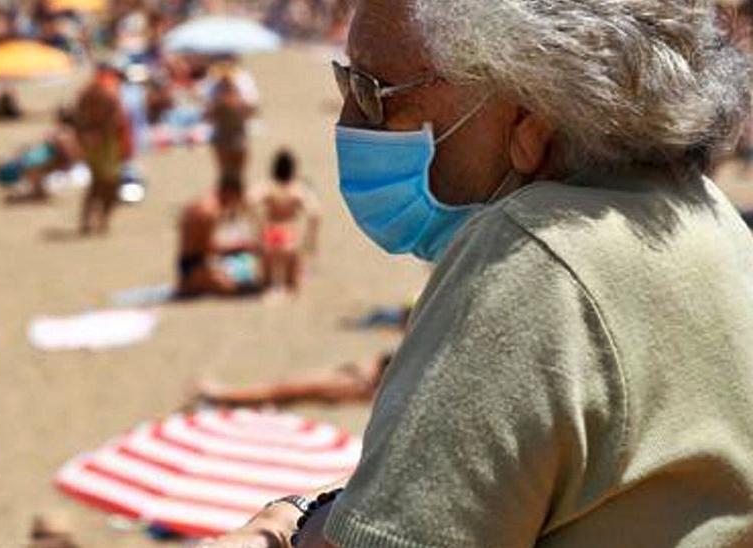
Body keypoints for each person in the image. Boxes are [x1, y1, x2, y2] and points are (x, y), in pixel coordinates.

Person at [204, 0, 753, 546]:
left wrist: (283, 527)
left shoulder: (530, 254)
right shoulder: (707, 214)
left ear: (529, 118)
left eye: (374, 94)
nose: (349, 123)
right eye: (346, 83)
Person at [194, 352, 390, 408]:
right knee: (284, 392)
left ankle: (221, 395)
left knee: (282, 390)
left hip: (363, 382)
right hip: (367, 380)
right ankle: (223, 396)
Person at [176, 173, 263, 298]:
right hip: (195, 266)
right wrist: (242, 247)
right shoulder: (210, 212)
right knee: (242, 288)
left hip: (189, 261)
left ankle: (194, 283)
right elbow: (209, 248)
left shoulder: (202, 203)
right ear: (230, 193)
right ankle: (192, 284)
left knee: (238, 279)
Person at [74, 65, 133, 235]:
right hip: (107, 141)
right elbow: (116, 118)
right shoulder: (109, 90)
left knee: (98, 181)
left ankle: (90, 220)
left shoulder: (88, 90)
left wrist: (85, 135)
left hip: (96, 138)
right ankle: (101, 219)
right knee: (108, 182)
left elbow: (79, 116)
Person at [255, 150, 321, 296]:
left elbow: (250, 200)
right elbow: (315, 213)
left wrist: (257, 228)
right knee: (292, 284)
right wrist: (310, 240)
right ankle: (284, 289)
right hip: (288, 234)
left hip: (270, 233)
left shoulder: (268, 187)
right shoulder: (296, 189)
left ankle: (272, 288)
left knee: (265, 282)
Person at [207, 74, 255, 184]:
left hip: (236, 137)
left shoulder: (241, 90)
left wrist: (236, 104)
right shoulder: (216, 93)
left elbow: (251, 111)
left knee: (238, 173)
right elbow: (209, 115)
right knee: (224, 173)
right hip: (223, 138)